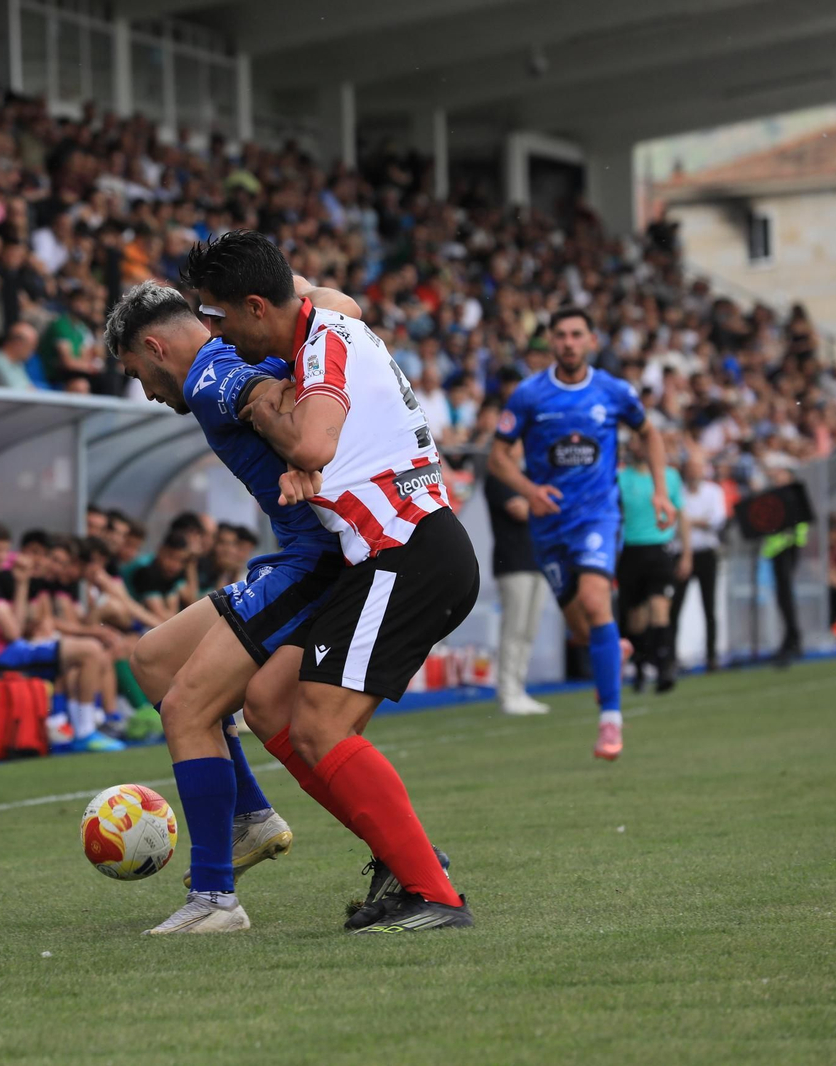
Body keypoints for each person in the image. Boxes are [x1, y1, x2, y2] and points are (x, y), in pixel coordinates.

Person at [184, 232, 481, 934]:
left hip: (406, 551)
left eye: (221, 319)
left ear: (257, 307)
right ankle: (407, 862)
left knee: (317, 723)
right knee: (269, 702)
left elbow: (313, 442)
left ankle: (432, 891)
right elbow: (331, 298)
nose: (219, 338)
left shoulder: (322, 349)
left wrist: (268, 414)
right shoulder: (324, 315)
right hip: (397, 552)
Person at [108, 277, 368, 934]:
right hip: (295, 556)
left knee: (187, 708)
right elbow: (345, 307)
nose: (144, 389)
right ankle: (250, 816)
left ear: (156, 346)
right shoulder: (249, 346)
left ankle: (215, 901)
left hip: (316, 561)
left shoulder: (210, 379)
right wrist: (297, 294)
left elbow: (262, 401)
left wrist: (291, 428)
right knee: (155, 660)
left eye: (135, 371)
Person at [488, 307, 672, 760]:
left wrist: (661, 493)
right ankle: (616, 650)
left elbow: (650, 435)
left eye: (577, 335)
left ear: (591, 339)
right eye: (561, 335)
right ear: (551, 341)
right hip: (549, 525)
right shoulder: (530, 396)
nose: (569, 342)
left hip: (598, 516)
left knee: (595, 602)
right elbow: (497, 457)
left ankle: (610, 720)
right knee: (581, 628)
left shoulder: (614, 391)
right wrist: (530, 490)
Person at [0, 522, 123, 753]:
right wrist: (23, 583)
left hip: (3, 649)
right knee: (90, 650)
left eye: (3, 550)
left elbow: (17, 626)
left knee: (81, 657)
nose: (0, 556)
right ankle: (85, 731)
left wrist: (22, 583)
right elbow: (13, 632)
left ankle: (75, 724)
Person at [616, 432, 689, 693]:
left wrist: (687, 553)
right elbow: (614, 518)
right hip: (632, 551)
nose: (638, 446)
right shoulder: (621, 478)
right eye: (634, 442)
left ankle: (664, 666)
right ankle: (639, 668)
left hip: (660, 550)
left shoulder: (670, 477)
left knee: (660, 608)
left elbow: (682, 516)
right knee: (636, 618)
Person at [484, 465, 550, 715]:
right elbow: (520, 510)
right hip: (512, 563)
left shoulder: (528, 475)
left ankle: (519, 688)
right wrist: (544, 506)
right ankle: (507, 692)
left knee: (529, 630)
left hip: (536, 560)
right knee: (514, 629)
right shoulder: (497, 477)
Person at [671, 455, 725, 671]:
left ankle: (711, 656)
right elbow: (674, 524)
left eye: (697, 468)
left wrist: (687, 521)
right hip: (682, 553)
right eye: (691, 468)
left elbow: (716, 521)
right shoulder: (678, 493)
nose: (694, 473)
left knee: (709, 607)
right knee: (675, 607)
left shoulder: (713, 491)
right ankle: (671, 657)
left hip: (706, 553)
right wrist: (693, 522)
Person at [0, 321, 38, 390]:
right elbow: (17, 393)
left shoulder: (18, 363)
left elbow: (30, 389)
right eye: (30, 347)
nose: (32, 352)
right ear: (18, 344)